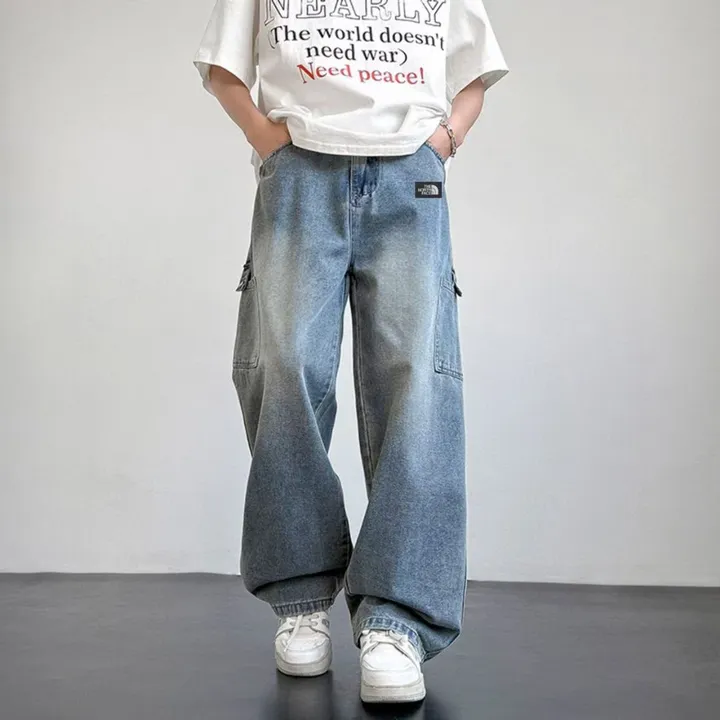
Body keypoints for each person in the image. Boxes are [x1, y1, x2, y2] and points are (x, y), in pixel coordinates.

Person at [193, 0, 508, 704]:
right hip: (298, 174)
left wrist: (445, 139)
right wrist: (267, 139)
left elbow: (475, 71)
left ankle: (399, 619)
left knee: (415, 382)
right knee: (284, 368)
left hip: (409, 177)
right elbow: (222, 68)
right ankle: (301, 599)